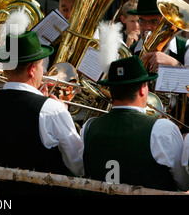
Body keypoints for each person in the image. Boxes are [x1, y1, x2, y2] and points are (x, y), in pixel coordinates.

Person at [0, 27, 84, 194]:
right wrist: (61, 112)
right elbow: (78, 165)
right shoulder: (52, 110)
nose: (44, 72)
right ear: (32, 70)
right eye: (41, 66)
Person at [81, 56, 189, 191]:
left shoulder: (88, 127)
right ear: (142, 89)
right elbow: (184, 183)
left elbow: (81, 169)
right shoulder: (163, 129)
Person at [129, 0, 189, 70]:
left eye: (153, 22)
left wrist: (174, 64)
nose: (147, 27)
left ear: (166, 20)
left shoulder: (186, 47)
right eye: (142, 21)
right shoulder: (133, 50)